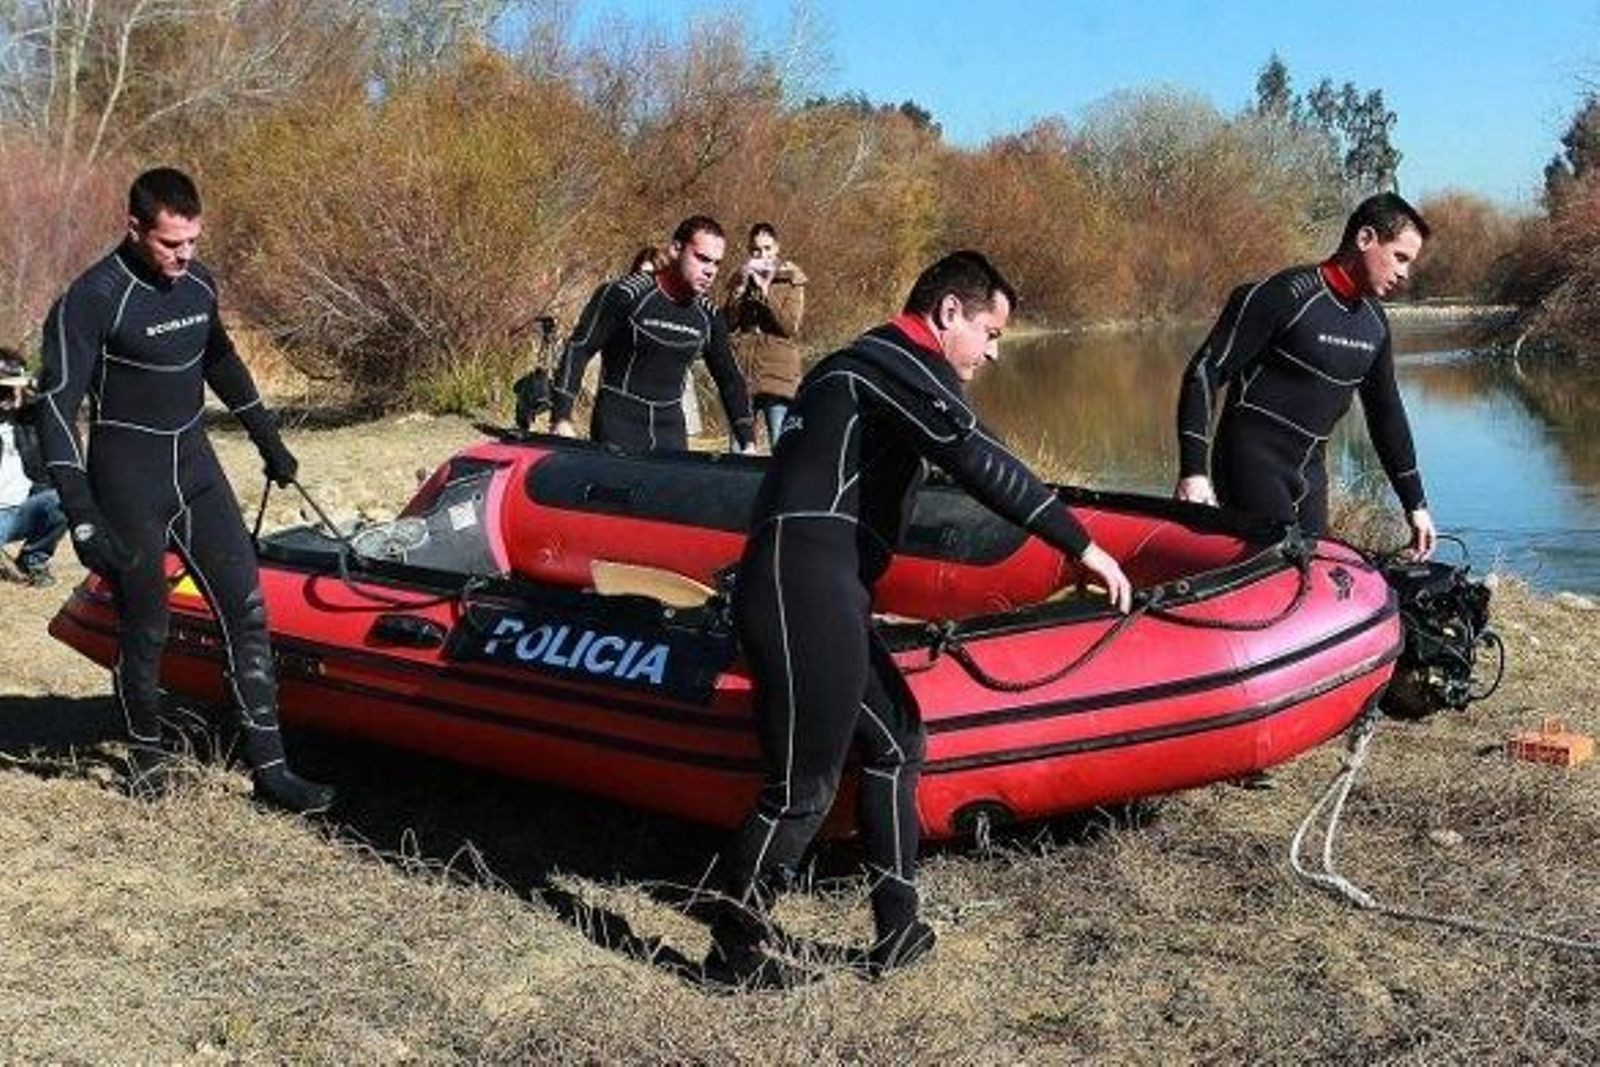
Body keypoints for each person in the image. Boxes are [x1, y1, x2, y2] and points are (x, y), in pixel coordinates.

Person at [707, 251, 1132, 984]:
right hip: (802, 584)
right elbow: (971, 455)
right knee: (801, 789)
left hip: (817, 582)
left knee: (898, 740)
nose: (995, 351)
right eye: (991, 332)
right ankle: (729, 952)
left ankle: (899, 929)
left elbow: (980, 442)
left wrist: (1066, 508)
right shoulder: (886, 360)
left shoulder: (878, 366)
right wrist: (1080, 545)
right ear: (947, 315)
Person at [37, 167, 336, 812]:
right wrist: (81, 512)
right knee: (148, 625)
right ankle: (146, 757)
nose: (185, 255)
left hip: (196, 468)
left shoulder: (198, 283)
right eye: (172, 243)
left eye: (193, 241)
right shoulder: (94, 298)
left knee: (247, 609)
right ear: (135, 227)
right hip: (127, 481)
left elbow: (220, 358)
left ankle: (273, 770)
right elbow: (56, 409)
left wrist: (268, 439)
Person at [1174, 192, 1437, 558]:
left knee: (1317, 575)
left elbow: (1386, 415)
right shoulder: (1285, 296)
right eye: (1400, 257)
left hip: (1310, 474)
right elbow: (1205, 371)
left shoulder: (1374, 324)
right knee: (1280, 571)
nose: (1405, 273)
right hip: (1251, 462)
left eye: (1410, 263)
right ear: (1365, 239)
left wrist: (1416, 505)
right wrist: (1193, 471)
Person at [549, 216, 756, 452]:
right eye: (702, 259)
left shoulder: (708, 316)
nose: (710, 270)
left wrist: (747, 440)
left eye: (716, 263)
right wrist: (561, 417)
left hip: (671, 434)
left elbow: (730, 379)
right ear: (676, 249)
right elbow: (580, 348)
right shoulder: (627, 294)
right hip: (618, 426)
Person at [724, 222, 808, 447]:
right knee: (738, 447)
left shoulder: (792, 280)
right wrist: (738, 291)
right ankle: (733, 483)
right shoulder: (740, 278)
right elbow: (727, 325)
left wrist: (765, 292)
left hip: (778, 373)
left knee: (780, 446)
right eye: (756, 250)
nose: (762, 255)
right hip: (743, 370)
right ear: (749, 250)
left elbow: (789, 327)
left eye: (767, 248)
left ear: (777, 247)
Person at [0, 349, 67, 586]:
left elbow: (58, 399)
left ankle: (33, 560)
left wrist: (29, 385)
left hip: (21, 510)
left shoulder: (29, 419)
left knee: (63, 499)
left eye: (9, 388)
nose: (6, 395)